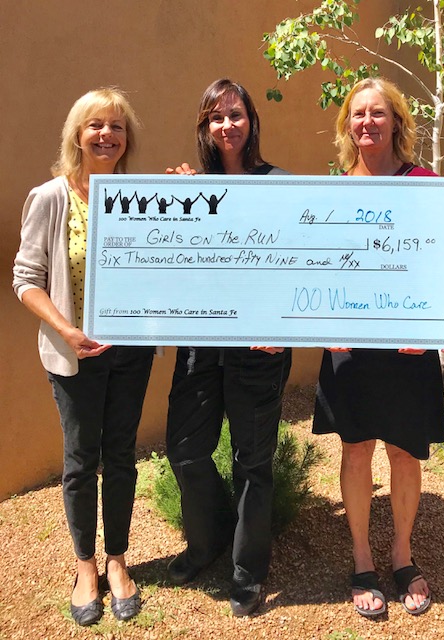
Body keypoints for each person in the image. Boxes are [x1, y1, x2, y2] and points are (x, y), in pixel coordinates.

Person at [12, 88, 155, 626]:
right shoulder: (50, 198)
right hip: (74, 355)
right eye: (96, 125)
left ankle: (117, 559)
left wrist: (186, 193)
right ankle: (85, 566)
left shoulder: (140, 197)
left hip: (130, 353)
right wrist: (67, 331)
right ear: (77, 134)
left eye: (116, 126)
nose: (106, 135)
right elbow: (26, 280)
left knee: (120, 455)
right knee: (80, 461)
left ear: (126, 139)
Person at [312, 77, 444, 618]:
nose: (367, 122)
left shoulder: (425, 185)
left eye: (378, 113)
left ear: (396, 122)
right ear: (348, 125)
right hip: (349, 345)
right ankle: (362, 557)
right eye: (358, 113)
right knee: (357, 448)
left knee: (404, 450)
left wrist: (430, 329)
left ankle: (402, 554)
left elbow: (443, 268)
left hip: (409, 344)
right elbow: (316, 268)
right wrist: (323, 326)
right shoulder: (331, 193)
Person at [165, 78, 292, 617]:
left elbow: (297, 261)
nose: (227, 125)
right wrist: (171, 205)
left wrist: (284, 328)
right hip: (201, 344)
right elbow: (169, 257)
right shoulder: (191, 189)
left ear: (251, 121)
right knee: (185, 449)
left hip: (259, 348)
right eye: (216, 117)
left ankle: (248, 569)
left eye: (235, 114)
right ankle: (209, 540)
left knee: (252, 461)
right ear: (204, 127)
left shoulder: (279, 185)